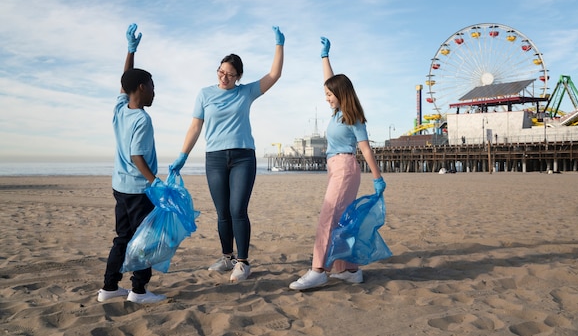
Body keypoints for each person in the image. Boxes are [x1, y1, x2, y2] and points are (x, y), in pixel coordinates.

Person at [169, 26, 285, 283]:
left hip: (243, 157)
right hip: (215, 158)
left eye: (230, 75)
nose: (224, 78)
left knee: (237, 210)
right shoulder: (205, 94)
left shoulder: (246, 92)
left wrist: (279, 45)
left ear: (238, 77)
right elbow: (195, 126)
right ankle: (227, 257)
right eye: (221, 72)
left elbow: (274, 74)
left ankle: (243, 262)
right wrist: (182, 156)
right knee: (222, 212)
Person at [289, 36, 386, 291]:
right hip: (336, 169)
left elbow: (365, 148)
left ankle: (318, 270)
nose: (326, 98)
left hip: (345, 169)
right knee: (342, 221)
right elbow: (329, 81)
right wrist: (324, 56)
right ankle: (349, 271)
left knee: (328, 218)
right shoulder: (336, 112)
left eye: (329, 94)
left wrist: (377, 178)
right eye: (326, 94)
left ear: (340, 94)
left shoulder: (352, 117)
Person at [97, 24, 167, 304]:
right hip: (138, 190)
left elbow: (124, 81)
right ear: (142, 87)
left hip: (119, 187)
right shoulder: (142, 119)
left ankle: (109, 287)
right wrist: (155, 181)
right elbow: (138, 157)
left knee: (123, 237)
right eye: (152, 86)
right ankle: (138, 291)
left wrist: (131, 50)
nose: (154, 91)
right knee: (144, 239)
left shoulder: (119, 109)